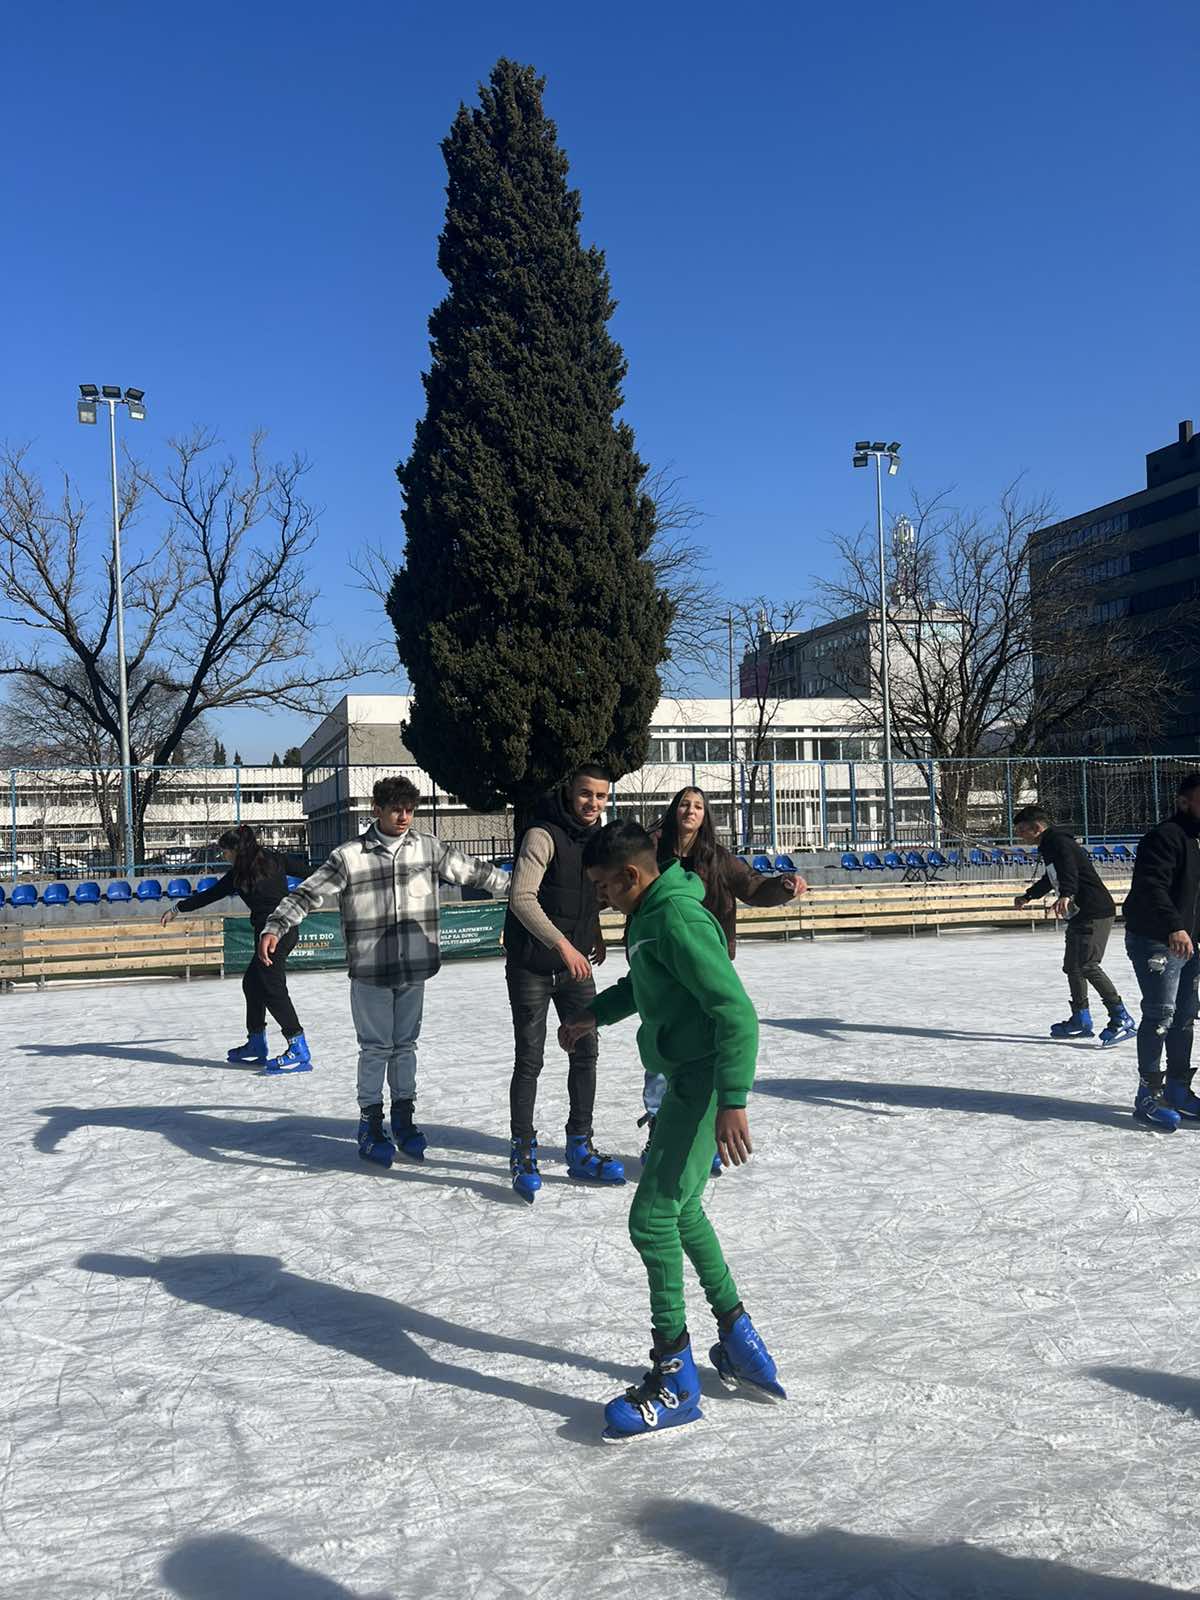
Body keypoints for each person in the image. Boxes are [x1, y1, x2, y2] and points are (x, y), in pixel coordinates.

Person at [559, 821, 784, 1442]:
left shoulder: (676, 918)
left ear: (632, 875)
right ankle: (737, 1335)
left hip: (703, 1081)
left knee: (651, 1219)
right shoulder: (650, 916)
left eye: (605, 887)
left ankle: (675, 1378)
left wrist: (732, 1100)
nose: (602, 897)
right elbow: (646, 984)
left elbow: (735, 1012)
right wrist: (594, 1014)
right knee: (681, 1212)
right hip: (685, 1077)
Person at [259, 774, 510, 1166]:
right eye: (396, 809)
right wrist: (276, 925)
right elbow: (308, 893)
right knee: (376, 1049)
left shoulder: (427, 848)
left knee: (405, 1047)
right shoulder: (349, 856)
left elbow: (475, 872)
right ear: (376, 809)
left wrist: (520, 888)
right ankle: (371, 1124)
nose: (404, 816)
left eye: (409, 809)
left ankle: (404, 1119)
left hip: (414, 968)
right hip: (371, 970)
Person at [640, 786, 807, 1172]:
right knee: (662, 1045)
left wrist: (782, 885)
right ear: (674, 809)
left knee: (708, 1046)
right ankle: (658, 1124)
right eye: (685, 804)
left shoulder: (716, 857)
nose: (690, 811)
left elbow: (752, 886)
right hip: (663, 963)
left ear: (705, 816)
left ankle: (703, 1133)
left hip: (708, 963)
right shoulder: (652, 852)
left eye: (698, 806)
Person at [503, 764, 623, 1201]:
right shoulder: (542, 834)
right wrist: (564, 946)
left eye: (601, 796)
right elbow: (521, 898)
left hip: (574, 967)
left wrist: (595, 933)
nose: (593, 803)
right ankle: (522, 1149)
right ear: (570, 791)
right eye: (586, 794)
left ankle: (579, 1144)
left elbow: (591, 894)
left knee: (586, 1050)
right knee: (530, 1059)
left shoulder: (599, 839)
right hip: (532, 966)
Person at [163, 825, 311, 1073]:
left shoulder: (254, 868)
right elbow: (210, 895)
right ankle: (256, 1043)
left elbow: (312, 873)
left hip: (276, 934)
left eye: (225, 852)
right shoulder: (262, 863)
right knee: (252, 983)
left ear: (236, 850)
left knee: (272, 988)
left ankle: (298, 1047)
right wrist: (179, 908)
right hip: (276, 932)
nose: (224, 856)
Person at [1011, 805, 1134, 1047]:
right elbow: (1052, 877)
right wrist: (1028, 896)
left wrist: (1066, 894)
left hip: (1095, 911)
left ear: (1037, 827)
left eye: (1022, 830)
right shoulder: (1049, 844)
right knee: (1073, 967)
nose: (1020, 836)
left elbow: (1069, 870)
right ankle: (1081, 1017)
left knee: (1088, 965)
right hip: (1080, 913)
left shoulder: (1059, 842)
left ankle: (1120, 1016)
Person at [1119, 771, 1200, 1131]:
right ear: (1184, 802)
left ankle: (1178, 1088)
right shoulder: (1164, 837)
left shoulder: (1196, 839)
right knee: (1161, 1015)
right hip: (1156, 938)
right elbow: (1152, 886)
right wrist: (1174, 926)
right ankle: (1148, 1094)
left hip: (1189, 941)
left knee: (1184, 1016)